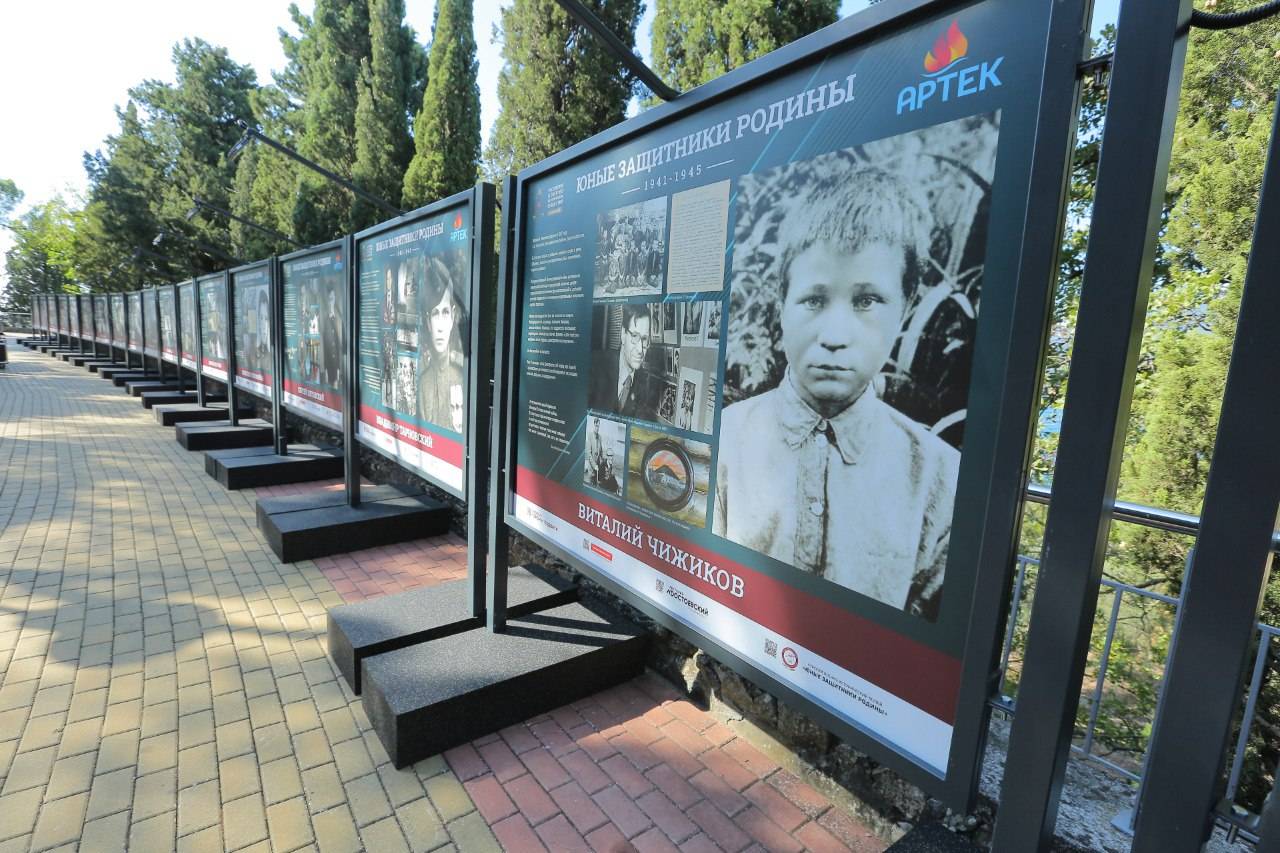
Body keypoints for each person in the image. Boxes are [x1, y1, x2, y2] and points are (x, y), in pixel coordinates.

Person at [713, 167, 959, 621]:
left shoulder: (940, 479)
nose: (835, 336)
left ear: (905, 308)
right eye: (814, 299)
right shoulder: (723, 443)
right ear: (782, 305)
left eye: (867, 301)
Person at [417, 256, 466, 430]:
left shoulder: (462, 376)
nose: (439, 327)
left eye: (445, 312)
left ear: (452, 317)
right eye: (434, 313)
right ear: (428, 323)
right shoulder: (423, 383)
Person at [589, 302, 660, 421]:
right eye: (635, 336)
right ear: (623, 334)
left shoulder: (644, 384)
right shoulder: (594, 365)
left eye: (644, 339)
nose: (640, 349)